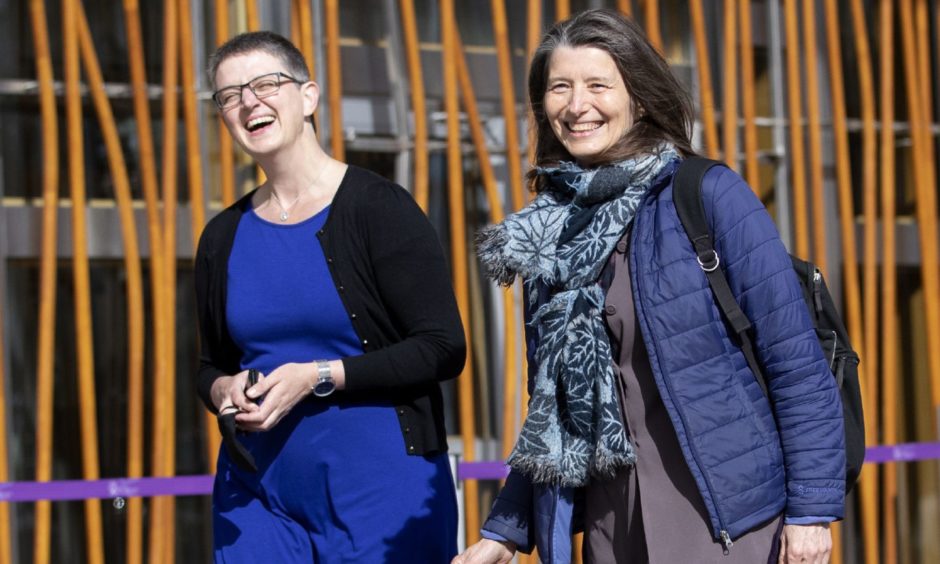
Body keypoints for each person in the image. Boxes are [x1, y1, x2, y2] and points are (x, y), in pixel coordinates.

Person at [455, 9, 844, 564]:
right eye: (559, 87)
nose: (576, 104)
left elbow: (794, 360)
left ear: (637, 96)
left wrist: (811, 512)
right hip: (615, 527)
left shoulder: (707, 194)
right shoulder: (553, 231)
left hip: (726, 522)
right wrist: (504, 532)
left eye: (597, 85)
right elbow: (554, 408)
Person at [195, 31, 465, 563]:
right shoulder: (222, 235)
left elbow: (442, 346)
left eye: (266, 84)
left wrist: (317, 376)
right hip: (256, 494)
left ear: (309, 97)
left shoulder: (378, 207)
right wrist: (225, 388)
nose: (249, 102)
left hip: (381, 492)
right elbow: (209, 366)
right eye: (230, 95)